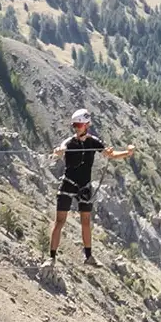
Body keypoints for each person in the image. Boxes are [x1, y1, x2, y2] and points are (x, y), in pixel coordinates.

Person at [46, 109, 134, 268]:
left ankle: (88, 256)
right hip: (68, 183)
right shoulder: (69, 142)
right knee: (60, 221)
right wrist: (58, 152)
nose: (76, 128)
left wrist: (127, 153)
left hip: (84, 187)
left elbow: (110, 154)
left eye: (79, 125)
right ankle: (51, 257)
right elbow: (60, 150)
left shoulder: (93, 142)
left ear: (86, 125)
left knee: (86, 222)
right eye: (74, 125)